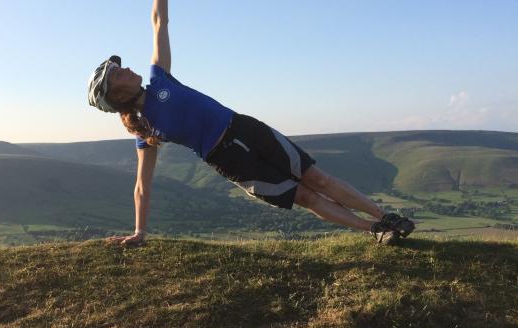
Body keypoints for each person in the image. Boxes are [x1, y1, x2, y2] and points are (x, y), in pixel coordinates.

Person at [87, 0, 414, 246]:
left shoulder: (160, 79)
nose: (125, 69)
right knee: (306, 198)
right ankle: (375, 231)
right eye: (117, 73)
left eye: (120, 66)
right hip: (230, 161)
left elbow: (160, 21)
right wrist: (139, 231)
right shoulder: (146, 131)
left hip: (246, 128)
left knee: (319, 179)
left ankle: (384, 216)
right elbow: (142, 185)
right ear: (116, 97)